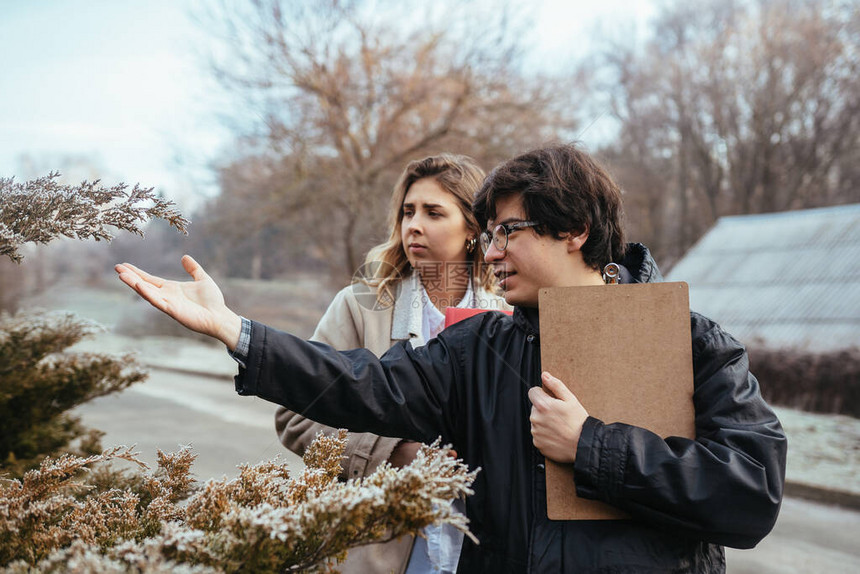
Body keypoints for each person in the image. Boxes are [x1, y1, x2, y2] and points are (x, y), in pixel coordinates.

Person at [115, 143, 787, 573]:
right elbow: (361, 384)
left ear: (576, 230)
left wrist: (590, 445)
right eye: (487, 234)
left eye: (509, 233)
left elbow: (749, 497)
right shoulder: (482, 350)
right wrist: (237, 331)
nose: (490, 252)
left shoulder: (689, 340)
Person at [274, 153, 509, 574]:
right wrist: (396, 453)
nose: (413, 225)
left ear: (473, 228)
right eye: (408, 211)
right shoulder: (362, 307)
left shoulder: (510, 315)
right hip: (378, 549)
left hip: (483, 547)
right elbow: (296, 417)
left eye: (434, 212)